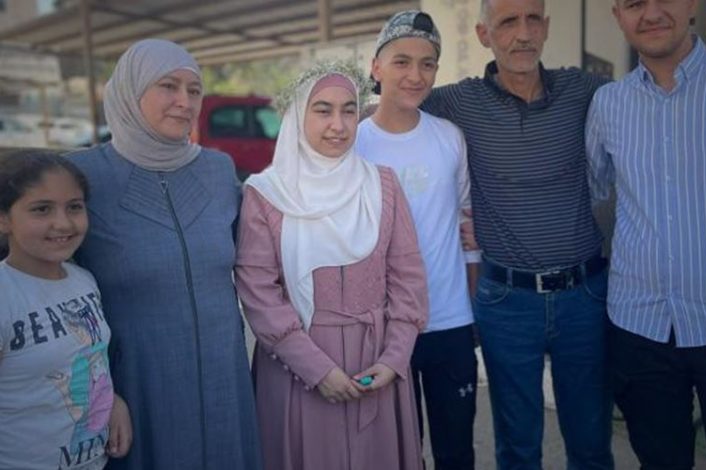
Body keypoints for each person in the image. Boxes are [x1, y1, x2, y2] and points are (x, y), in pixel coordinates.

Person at [419, 1, 613, 468]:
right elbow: (396, 104)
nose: (523, 33)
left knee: (591, 445)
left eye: (532, 20)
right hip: (506, 302)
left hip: (585, 296)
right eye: (508, 22)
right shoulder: (457, 101)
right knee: (518, 449)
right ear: (484, 35)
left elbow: (652, 84)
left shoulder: (582, 89)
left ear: (546, 27)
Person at [587, 1, 706, 468]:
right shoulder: (608, 104)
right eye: (635, 3)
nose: (651, 13)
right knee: (659, 461)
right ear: (617, 15)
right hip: (640, 324)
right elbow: (595, 192)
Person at [68, 39, 261, 470]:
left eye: (194, 90)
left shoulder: (218, 170)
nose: (184, 102)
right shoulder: (83, 177)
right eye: (168, 86)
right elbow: (58, 292)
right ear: (131, 92)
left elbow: (261, 260)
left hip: (223, 380)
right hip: (137, 386)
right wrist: (102, 392)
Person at [235, 61, 428, 470]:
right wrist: (318, 371)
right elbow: (259, 294)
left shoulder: (383, 185)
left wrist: (393, 360)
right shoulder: (266, 194)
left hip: (377, 361)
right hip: (298, 368)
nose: (338, 125)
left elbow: (408, 279)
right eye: (323, 110)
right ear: (297, 116)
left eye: (349, 110)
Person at [356, 10, 480, 470]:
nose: (415, 75)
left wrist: (472, 305)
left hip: (450, 321)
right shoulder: (353, 143)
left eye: (427, 64)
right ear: (376, 67)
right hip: (384, 326)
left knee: (456, 452)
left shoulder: (449, 137)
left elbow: (466, 224)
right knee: (399, 454)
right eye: (402, 62)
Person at [0, 150, 131, 469]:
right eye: (41, 209)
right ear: (4, 219)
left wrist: (113, 401)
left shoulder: (84, 280)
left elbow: (87, 360)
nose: (63, 223)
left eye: (74, 207)